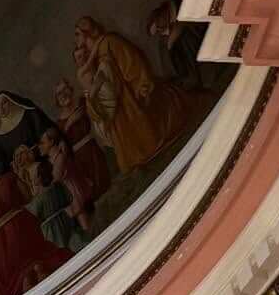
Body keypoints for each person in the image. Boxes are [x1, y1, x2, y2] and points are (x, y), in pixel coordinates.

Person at [73, 14, 206, 175]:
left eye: (77, 34)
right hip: (118, 105)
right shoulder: (92, 56)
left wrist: (142, 85)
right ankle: (138, 163)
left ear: (87, 33)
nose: (76, 38)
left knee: (150, 126)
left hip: (128, 97)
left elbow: (131, 62)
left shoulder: (109, 42)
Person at [0, 164, 70, 295]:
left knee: (14, 275)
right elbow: (27, 197)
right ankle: (44, 277)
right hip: (24, 224)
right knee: (38, 256)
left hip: (2, 240)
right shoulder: (9, 179)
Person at [53, 77, 111, 208]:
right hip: (78, 158)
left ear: (70, 89)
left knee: (104, 183)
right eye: (59, 93)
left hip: (93, 149)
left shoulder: (82, 103)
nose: (63, 95)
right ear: (56, 99)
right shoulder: (59, 124)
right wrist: (69, 124)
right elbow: (62, 145)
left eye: (65, 90)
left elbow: (97, 106)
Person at [0, 89, 56, 174]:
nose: (2, 110)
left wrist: (32, 153)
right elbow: (0, 169)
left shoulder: (29, 114)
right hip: (20, 176)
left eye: (4, 103)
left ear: (11, 101)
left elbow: (48, 136)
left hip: (46, 163)